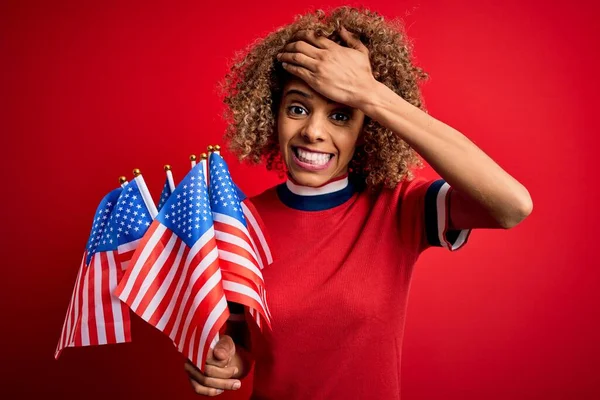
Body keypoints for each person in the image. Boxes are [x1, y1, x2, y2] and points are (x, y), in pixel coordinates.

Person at [184, 6, 533, 399]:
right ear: (272, 113)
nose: (313, 131)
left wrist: (369, 93)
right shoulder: (239, 223)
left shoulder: (398, 207)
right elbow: (243, 343)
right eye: (297, 108)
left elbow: (512, 205)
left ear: (366, 129)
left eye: (341, 115)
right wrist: (228, 361)